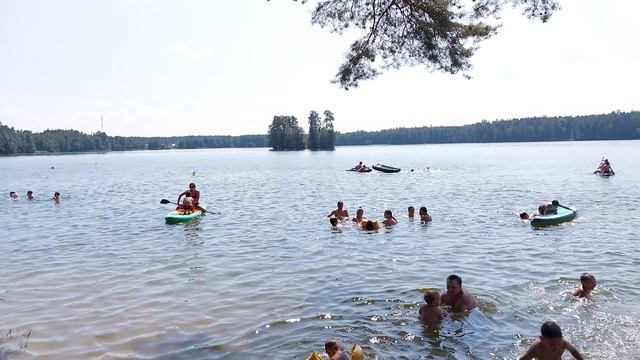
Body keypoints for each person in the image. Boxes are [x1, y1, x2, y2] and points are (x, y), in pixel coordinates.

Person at [519, 321, 584, 360]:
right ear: (542, 339)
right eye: (552, 345)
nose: (556, 347)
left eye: (558, 344)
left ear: (562, 338)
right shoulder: (536, 348)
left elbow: (574, 352)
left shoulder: (564, 344)